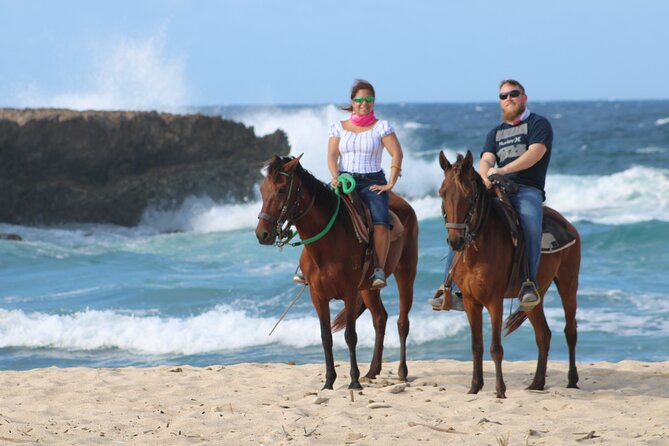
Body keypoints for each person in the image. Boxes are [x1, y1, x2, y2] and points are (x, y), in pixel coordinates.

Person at [430, 79, 553, 311]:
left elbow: (535, 153)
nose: (508, 99)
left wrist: (504, 169)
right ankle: (450, 289)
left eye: (513, 94)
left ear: (523, 97)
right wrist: (485, 175)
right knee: (462, 224)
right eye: (503, 96)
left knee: (530, 225)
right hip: (496, 188)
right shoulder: (496, 132)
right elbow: (486, 158)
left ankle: (528, 283)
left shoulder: (538, 124)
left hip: (526, 190)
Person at [294, 79, 403, 289]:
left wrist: (390, 183)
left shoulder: (381, 127)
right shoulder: (338, 127)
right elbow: (332, 156)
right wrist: (335, 176)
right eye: (360, 100)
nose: (364, 103)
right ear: (352, 101)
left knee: (380, 224)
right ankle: (303, 266)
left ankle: (378, 270)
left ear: (374, 102)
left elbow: (397, 153)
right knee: (316, 215)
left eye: (369, 99)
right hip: (344, 180)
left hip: (372, 181)